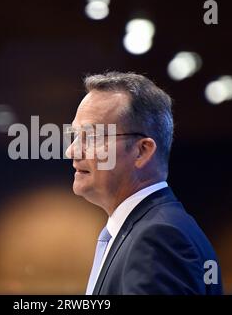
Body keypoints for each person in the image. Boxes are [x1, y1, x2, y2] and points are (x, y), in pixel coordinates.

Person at [65, 71, 223, 295]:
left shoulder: (159, 238)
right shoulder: (145, 229)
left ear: (142, 151)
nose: (72, 150)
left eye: (91, 137)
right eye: (75, 136)